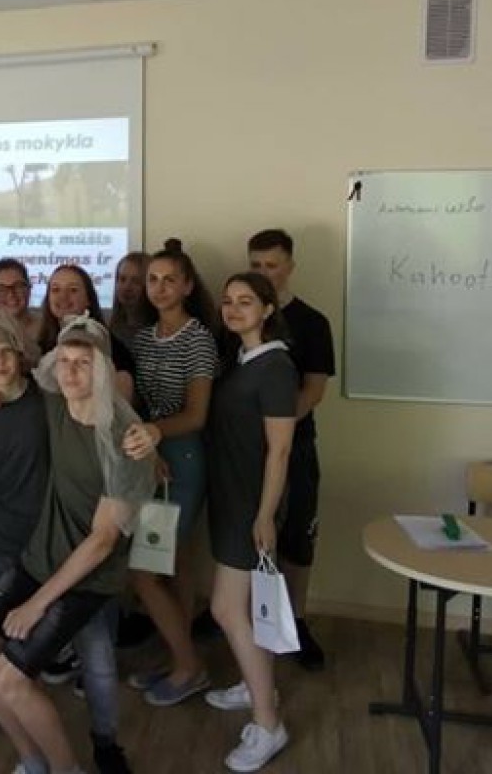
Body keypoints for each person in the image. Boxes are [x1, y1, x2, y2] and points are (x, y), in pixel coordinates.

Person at [0, 310, 136, 774]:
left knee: (98, 656)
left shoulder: (51, 399)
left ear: (22, 354)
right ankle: (26, 735)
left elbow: (107, 401)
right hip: (3, 542)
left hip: (64, 547)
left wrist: (150, 436)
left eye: (6, 351)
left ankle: (105, 744)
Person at [204, 273, 297, 772]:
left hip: (251, 507)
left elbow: (280, 450)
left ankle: (268, 724)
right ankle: (255, 683)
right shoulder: (241, 359)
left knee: (226, 609)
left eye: (246, 301)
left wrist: (264, 514)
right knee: (243, 610)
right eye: (228, 301)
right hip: (231, 497)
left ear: (267, 308)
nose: (234, 308)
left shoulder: (277, 366)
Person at [126, 240, 219, 707]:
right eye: (153, 280)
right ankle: (180, 658)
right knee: (174, 567)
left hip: (181, 460)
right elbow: (136, 405)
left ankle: (189, 668)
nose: (159, 288)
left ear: (186, 286)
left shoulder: (199, 337)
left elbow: (197, 415)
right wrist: (146, 444)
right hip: (150, 456)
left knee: (145, 572)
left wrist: (154, 434)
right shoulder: (143, 338)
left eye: (169, 280)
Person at [247, 228, 336, 671]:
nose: (264, 273)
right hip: (245, 452)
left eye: (272, 265)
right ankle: (245, 618)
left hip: (295, 448)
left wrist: (277, 427)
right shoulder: (238, 318)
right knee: (245, 536)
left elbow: (314, 391)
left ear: (290, 267)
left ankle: (296, 622)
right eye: (256, 265)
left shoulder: (313, 323)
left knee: (297, 538)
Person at [35, 264, 136, 403]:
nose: (63, 296)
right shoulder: (41, 345)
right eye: (56, 289)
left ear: (89, 299)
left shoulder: (113, 349)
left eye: (73, 290)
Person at [0, 258, 42, 365]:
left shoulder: (49, 327)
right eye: (2, 289)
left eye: (18, 286)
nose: (11, 294)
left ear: (29, 289)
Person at [107, 251, 152, 348]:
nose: (126, 287)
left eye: (136, 281)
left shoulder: (158, 330)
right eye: (122, 279)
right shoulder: (114, 325)